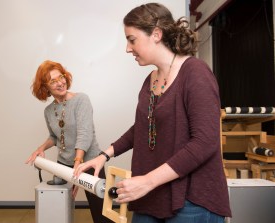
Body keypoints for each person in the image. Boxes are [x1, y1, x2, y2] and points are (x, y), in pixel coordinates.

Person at [74, 3, 232, 223]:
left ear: (156, 34)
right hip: (151, 196)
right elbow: (143, 126)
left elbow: (205, 142)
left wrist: (147, 181)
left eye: (132, 39)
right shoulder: (150, 80)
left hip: (191, 199)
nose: (127, 49)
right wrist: (104, 155)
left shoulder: (195, 73)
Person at [25, 60, 113, 223]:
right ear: (45, 87)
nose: (60, 82)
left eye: (61, 77)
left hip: (88, 161)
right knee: (58, 205)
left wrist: (77, 166)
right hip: (64, 162)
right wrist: (41, 148)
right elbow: (54, 136)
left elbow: (84, 134)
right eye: (53, 81)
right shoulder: (49, 111)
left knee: (101, 212)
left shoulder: (81, 100)